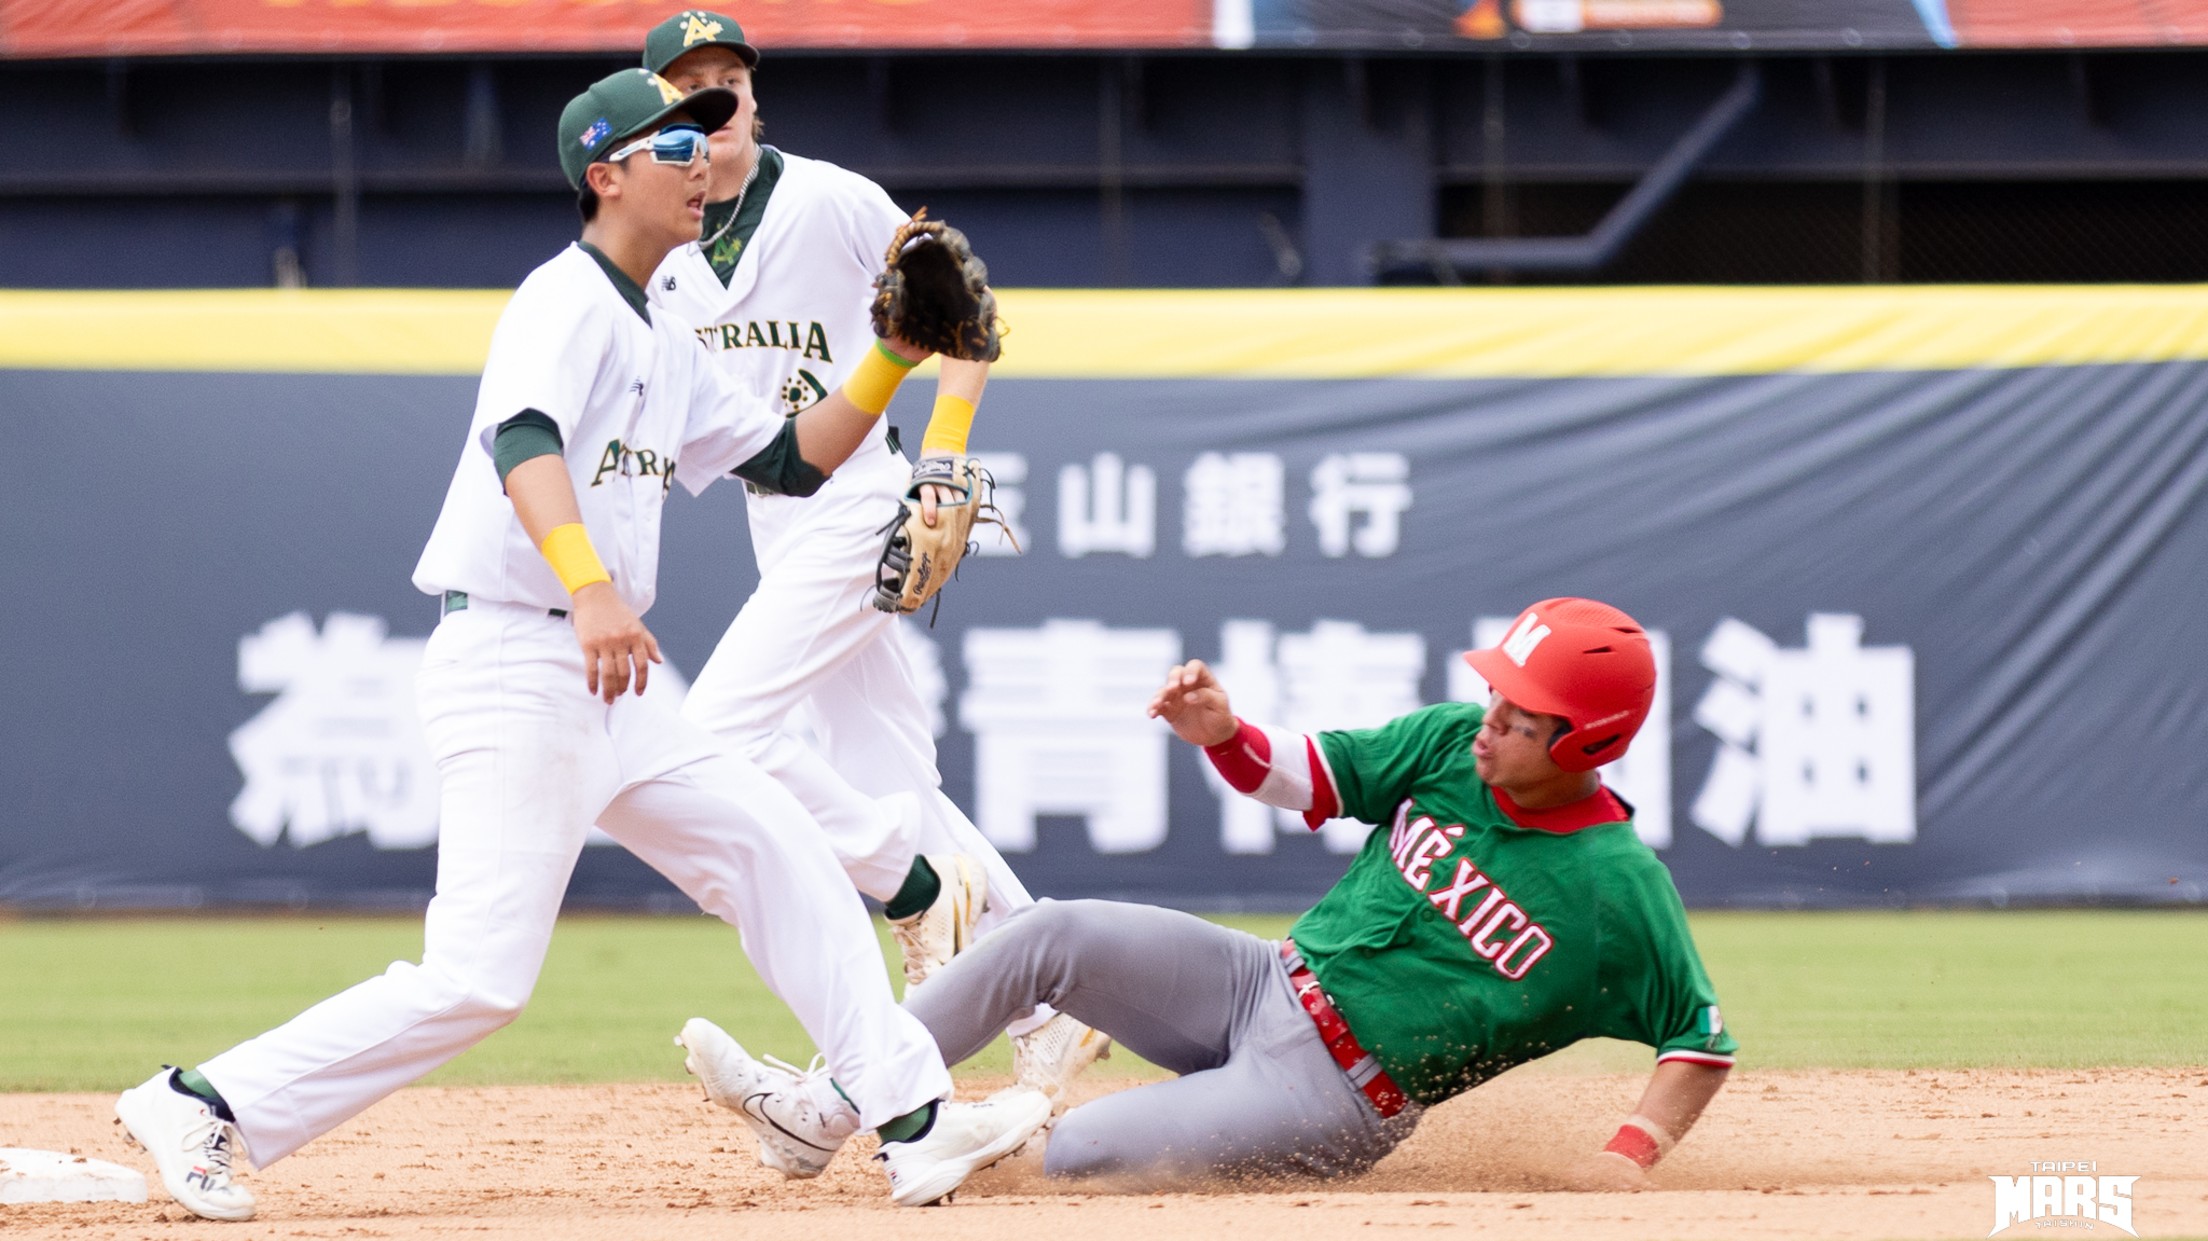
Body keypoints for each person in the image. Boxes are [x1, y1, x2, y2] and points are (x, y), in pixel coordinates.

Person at [112, 68, 1050, 1222]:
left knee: (779, 854)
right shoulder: (565, 299)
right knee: (478, 978)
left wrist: (895, 353)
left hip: (613, 680)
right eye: (676, 145)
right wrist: (594, 586)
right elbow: (521, 439)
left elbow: (792, 457)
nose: (704, 158)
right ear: (606, 175)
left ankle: (914, 1124)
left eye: (711, 137)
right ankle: (200, 1098)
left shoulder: (663, 324)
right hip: (519, 659)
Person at [686, 598, 1736, 1189]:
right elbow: (1310, 776)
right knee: (1050, 933)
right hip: (1261, 981)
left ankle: (963, 1151)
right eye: (1497, 693)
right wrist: (1227, 735)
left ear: (1588, 739)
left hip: (1337, 1096)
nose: (1490, 720)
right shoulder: (1451, 747)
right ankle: (823, 1111)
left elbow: (1699, 1036)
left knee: (1087, 1149)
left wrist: (1629, 1155)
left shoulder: (1616, 890)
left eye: (1523, 713)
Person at [630, 6, 1106, 1137]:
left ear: (755, 95)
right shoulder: (663, 241)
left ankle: (914, 884)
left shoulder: (830, 199)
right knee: (899, 774)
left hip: (857, 502)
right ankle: (1049, 994)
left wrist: (944, 455)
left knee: (717, 733)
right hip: (775, 514)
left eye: (728, 79)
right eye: (688, 86)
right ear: (661, 117)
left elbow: (962, 308)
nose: (715, 99)